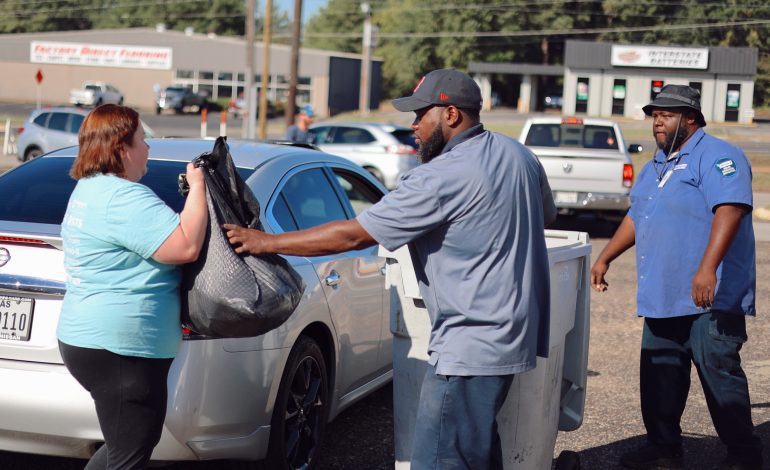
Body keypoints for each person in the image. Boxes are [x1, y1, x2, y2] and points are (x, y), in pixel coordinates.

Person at [225, 68, 556, 469]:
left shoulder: (439, 176)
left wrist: (267, 242)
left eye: (420, 114)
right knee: (476, 449)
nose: (412, 126)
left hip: (468, 346)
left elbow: (355, 236)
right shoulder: (519, 155)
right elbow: (544, 213)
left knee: (441, 460)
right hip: (513, 334)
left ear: (451, 115)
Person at [591, 85, 763, 470]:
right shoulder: (656, 166)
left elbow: (730, 209)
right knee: (660, 373)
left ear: (690, 118)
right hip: (664, 293)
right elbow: (638, 214)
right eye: (654, 115)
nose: (658, 122)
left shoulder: (719, 155)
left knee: (719, 373)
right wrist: (606, 256)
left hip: (709, 295)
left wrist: (706, 268)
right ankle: (664, 446)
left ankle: (744, 453)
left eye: (666, 115)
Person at [57, 104, 208, 469]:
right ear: (122, 148)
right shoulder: (122, 197)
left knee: (127, 446)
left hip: (93, 339)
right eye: (143, 139)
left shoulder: (89, 190)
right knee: (130, 452)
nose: (149, 148)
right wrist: (199, 187)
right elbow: (185, 245)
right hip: (122, 349)